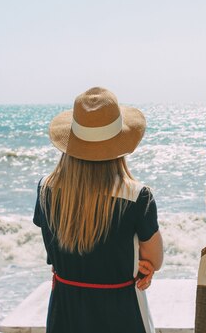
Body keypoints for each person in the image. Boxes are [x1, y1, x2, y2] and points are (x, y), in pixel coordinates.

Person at [33, 87, 163, 333]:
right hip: (121, 314)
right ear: (119, 144)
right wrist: (143, 266)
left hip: (65, 313)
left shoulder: (45, 190)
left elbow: (54, 254)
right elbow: (154, 259)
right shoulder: (137, 197)